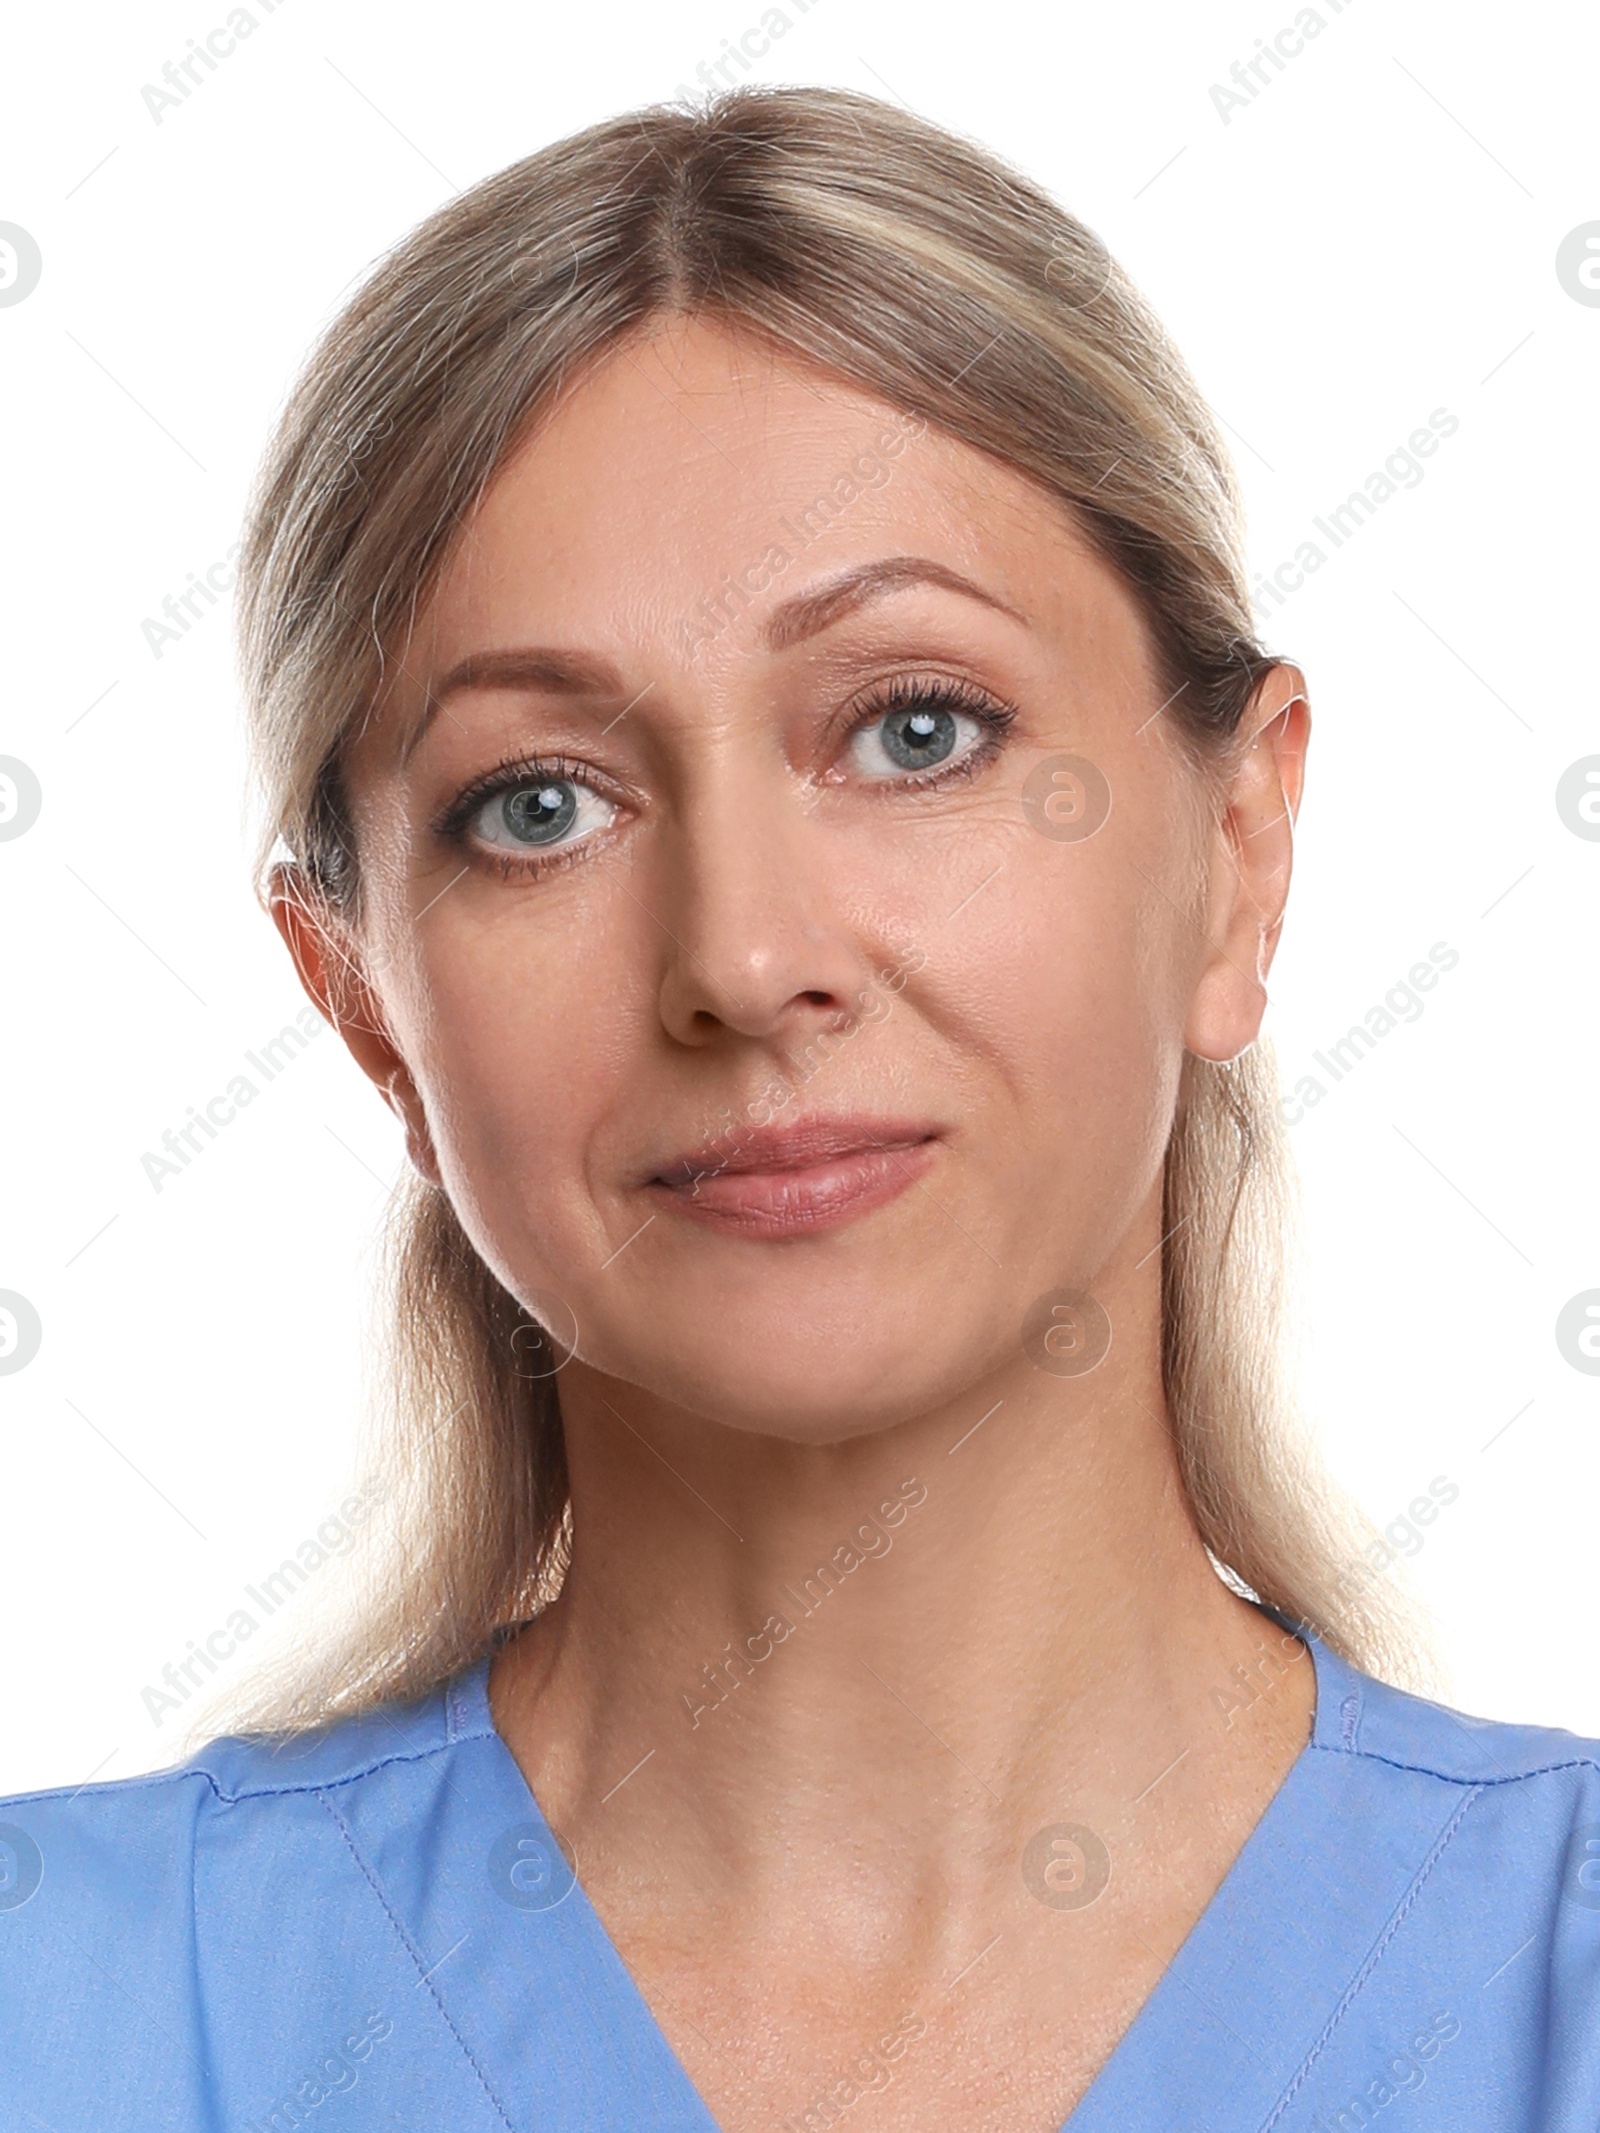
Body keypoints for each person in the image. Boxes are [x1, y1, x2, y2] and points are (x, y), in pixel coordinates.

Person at [3, 85, 1596, 2133]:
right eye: (537, 802)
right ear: (365, 1007)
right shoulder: (68, 2014)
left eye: (913, 728)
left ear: (1233, 846)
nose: (744, 961)